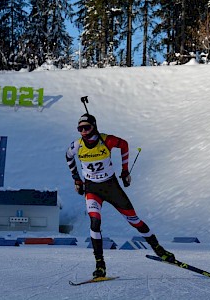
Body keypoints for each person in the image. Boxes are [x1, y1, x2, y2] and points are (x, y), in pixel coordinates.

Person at [66, 113, 175, 278]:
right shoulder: (77, 145)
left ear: (94, 126)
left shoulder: (106, 140)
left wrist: (125, 171)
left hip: (111, 187)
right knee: (95, 222)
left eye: (86, 127)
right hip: (92, 189)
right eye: (80, 129)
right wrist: (77, 180)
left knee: (134, 220)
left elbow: (124, 144)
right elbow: (68, 157)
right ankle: (100, 265)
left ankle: (159, 249)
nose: (83, 132)